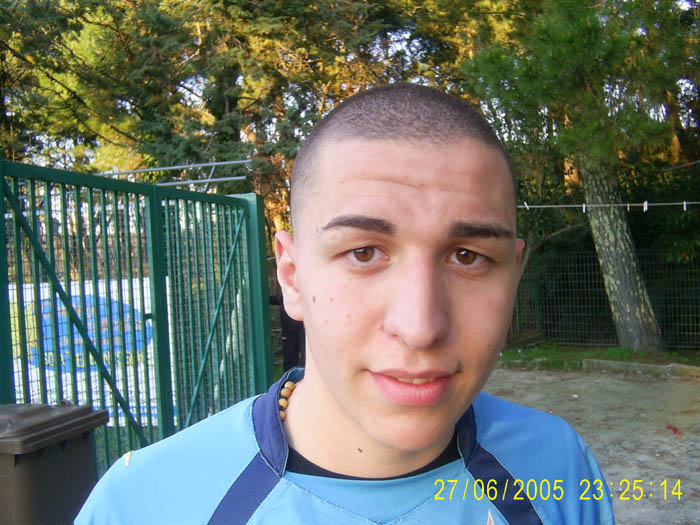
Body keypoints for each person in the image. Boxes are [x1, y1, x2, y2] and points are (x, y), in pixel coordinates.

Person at [76, 83, 614, 524]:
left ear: (513, 276)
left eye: (468, 257)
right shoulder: (143, 505)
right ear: (291, 276)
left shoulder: (559, 467)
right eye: (363, 253)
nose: (420, 326)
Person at [270, 293, 305, 370]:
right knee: (290, 357)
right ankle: (291, 376)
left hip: (301, 327)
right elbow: (279, 299)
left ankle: (303, 375)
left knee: (304, 356)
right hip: (289, 329)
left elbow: (280, 299)